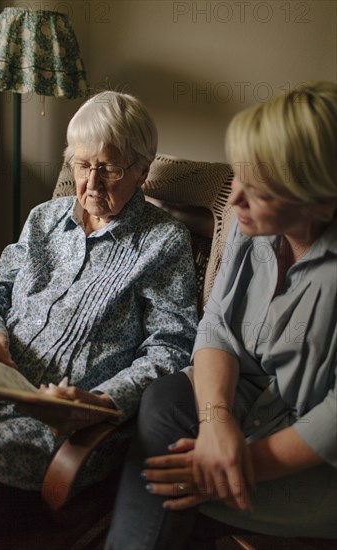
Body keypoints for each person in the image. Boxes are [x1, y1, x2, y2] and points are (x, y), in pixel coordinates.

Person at [105, 81, 337, 549]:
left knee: (167, 487)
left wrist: (235, 463)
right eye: (238, 180)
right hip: (246, 405)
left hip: (312, 460)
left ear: (319, 199)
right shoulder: (251, 227)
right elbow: (218, 325)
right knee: (166, 400)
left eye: (258, 191)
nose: (232, 203)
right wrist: (216, 422)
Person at [0, 92, 198, 536]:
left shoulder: (163, 242)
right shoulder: (43, 219)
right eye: (81, 164)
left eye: (109, 168)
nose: (91, 183)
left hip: (58, 421)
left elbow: (172, 348)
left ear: (141, 171)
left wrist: (104, 401)